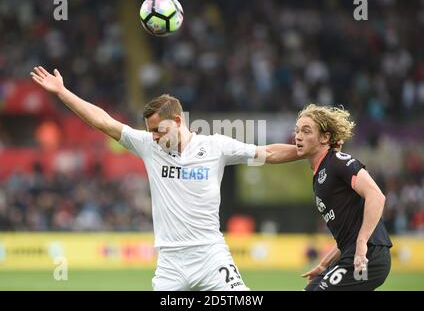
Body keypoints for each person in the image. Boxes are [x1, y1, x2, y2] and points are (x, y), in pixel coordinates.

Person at [30, 66, 299, 291]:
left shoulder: (216, 146)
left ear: (178, 121)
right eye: (151, 131)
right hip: (170, 262)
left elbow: (268, 153)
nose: (155, 137)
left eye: (159, 130)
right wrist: (63, 93)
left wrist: (308, 150)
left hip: (210, 254)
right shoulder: (148, 145)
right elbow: (104, 122)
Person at [293, 104, 392, 291]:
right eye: (297, 131)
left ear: (325, 138)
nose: (298, 136)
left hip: (369, 255)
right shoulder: (320, 172)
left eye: (306, 131)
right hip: (352, 254)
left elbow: (376, 196)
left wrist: (362, 243)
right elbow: (348, 235)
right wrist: (324, 264)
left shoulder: (338, 161)